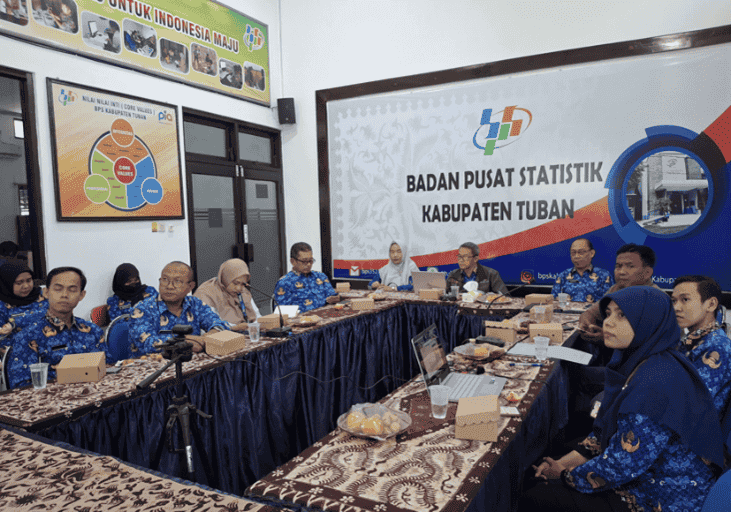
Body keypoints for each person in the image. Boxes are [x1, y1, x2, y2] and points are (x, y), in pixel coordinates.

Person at [521, 286, 724, 512]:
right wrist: (561, 465)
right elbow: (606, 433)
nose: (608, 322)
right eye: (608, 314)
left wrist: (564, 475)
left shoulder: (656, 382)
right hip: (643, 471)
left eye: (622, 315)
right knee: (542, 469)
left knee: (536, 495)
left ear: (647, 322)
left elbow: (624, 464)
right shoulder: (645, 360)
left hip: (664, 494)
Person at [3, 267, 108, 389]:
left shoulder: (93, 331)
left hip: (95, 399)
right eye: (58, 289)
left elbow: (108, 368)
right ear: (46, 292)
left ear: (81, 295)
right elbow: (20, 387)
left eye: (72, 290)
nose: (64, 295)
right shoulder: (28, 337)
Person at [128, 262, 229, 356]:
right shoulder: (141, 309)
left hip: (192, 368)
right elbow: (149, 344)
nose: (169, 286)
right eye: (165, 280)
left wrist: (210, 336)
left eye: (177, 281)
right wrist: (188, 340)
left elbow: (221, 324)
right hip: (154, 370)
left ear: (190, 286)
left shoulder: (195, 304)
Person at [672, 275, 731, 415]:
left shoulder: (717, 347)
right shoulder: (691, 339)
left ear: (711, 304)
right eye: (673, 301)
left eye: (685, 300)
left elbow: (692, 403)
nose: (676, 307)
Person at [578, 244, 659, 343]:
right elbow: (591, 312)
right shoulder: (616, 289)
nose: (621, 272)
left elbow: (649, 341)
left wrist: (607, 337)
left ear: (647, 273)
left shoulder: (656, 299)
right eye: (618, 266)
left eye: (630, 266)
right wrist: (586, 322)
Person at [194, 258, 260, 332]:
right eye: (235, 283)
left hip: (245, 335)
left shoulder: (243, 291)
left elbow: (256, 316)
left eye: (243, 284)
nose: (239, 288)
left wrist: (261, 324)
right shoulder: (207, 293)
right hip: (218, 338)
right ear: (226, 278)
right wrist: (234, 327)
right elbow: (208, 323)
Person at [274, 242, 339, 313]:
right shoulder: (285, 282)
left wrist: (336, 298)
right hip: (302, 321)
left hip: (327, 317)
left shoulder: (320, 276)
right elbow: (282, 313)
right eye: (304, 261)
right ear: (293, 261)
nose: (308, 264)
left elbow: (332, 297)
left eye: (310, 261)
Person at [0, 259, 47, 336]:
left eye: (29, 280)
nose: (26, 286)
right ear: (7, 283)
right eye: (19, 283)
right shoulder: (2, 306)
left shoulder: (43, 295)